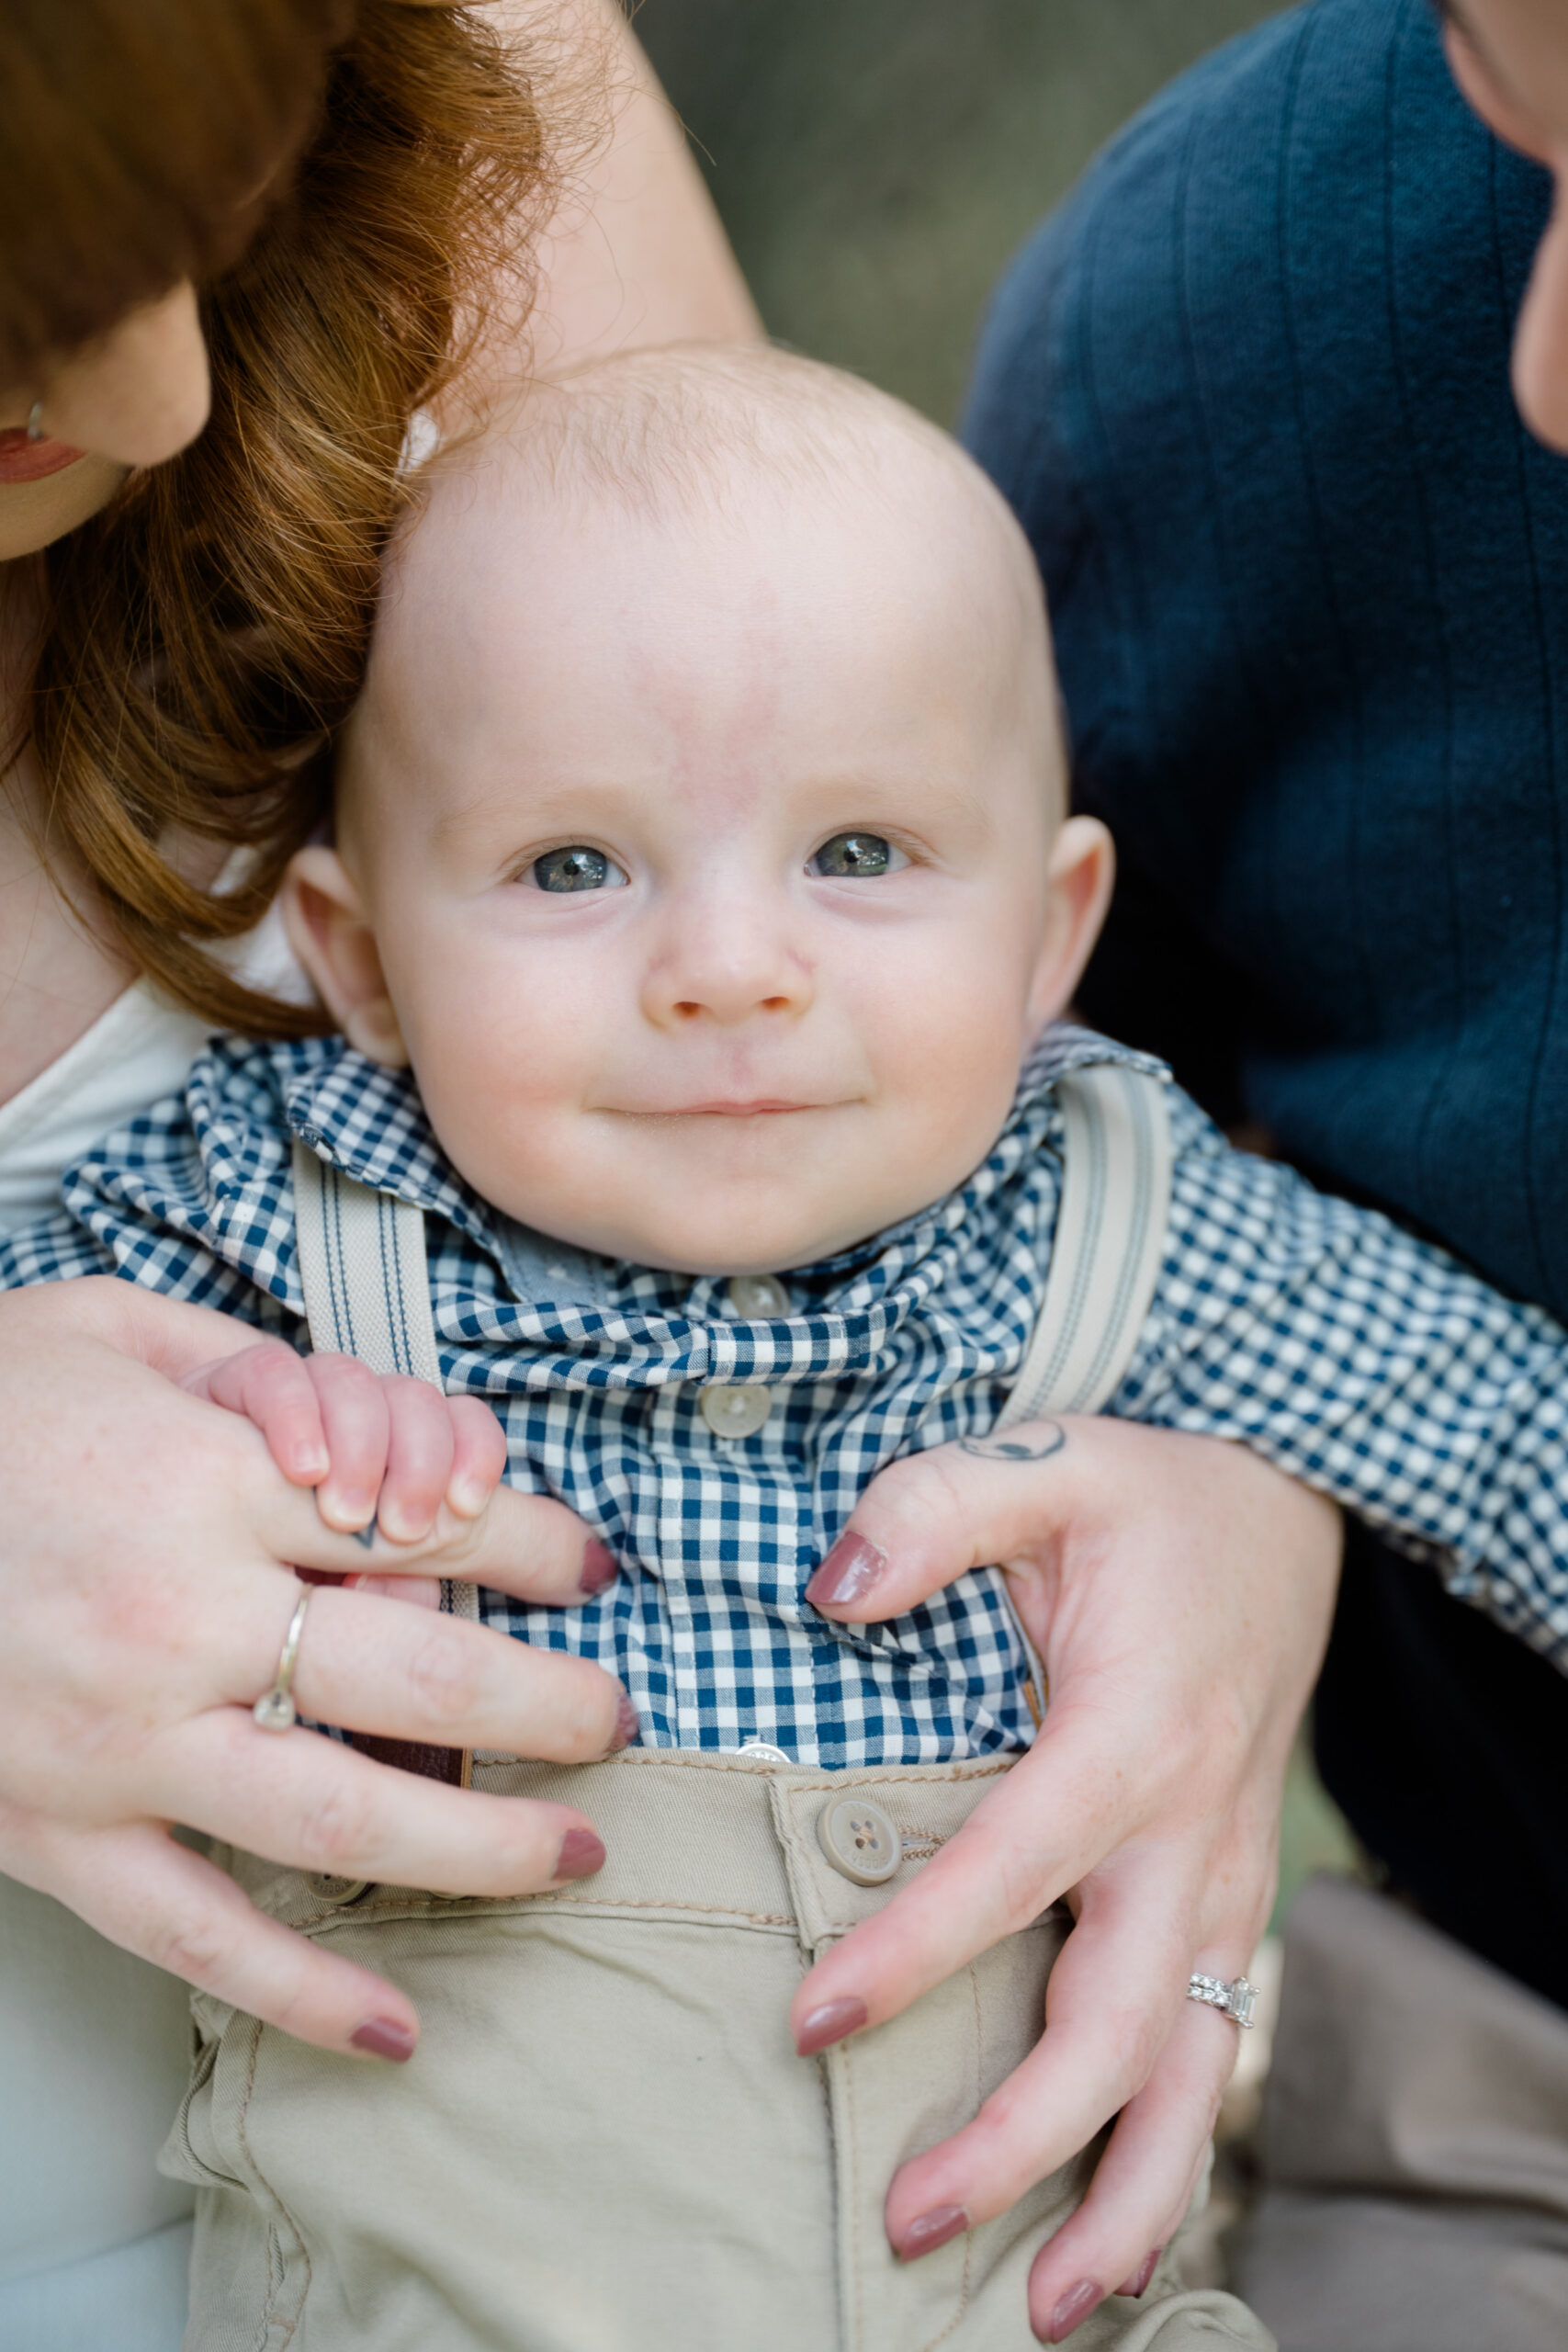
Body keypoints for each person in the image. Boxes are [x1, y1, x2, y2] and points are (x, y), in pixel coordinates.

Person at [17, 337, 1568, 2346]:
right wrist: (228, 1408)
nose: (728, 971)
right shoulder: (278, 1211)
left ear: (1045, 930)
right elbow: (44, 1426)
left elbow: (1489, 1425)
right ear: (363, 959)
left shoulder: (1100, 1208)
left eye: (856, 854)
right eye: (573, 865)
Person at [0, 3, 759, 2344]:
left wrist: (1206, 1475)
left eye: (204, 227)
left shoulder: (465, 57)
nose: (168, 409)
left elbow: (898, 997)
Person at [961, 0, 1568, 2339]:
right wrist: (1227, 1463)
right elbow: (1006, 1171)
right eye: (1524, 129)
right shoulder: (1204, 336)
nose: (1541, 375)